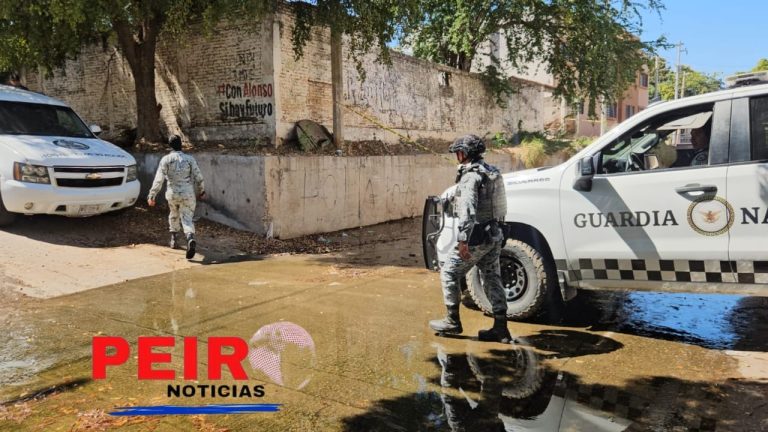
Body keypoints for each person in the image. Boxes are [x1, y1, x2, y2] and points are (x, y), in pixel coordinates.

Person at [429, 134, 513, 343]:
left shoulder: (470, 177)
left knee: (449, 272)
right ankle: (501, 328)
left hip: (476, 236)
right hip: (495, 232)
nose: (457, 156)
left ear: (464, 153)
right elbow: (500, 204)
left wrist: (463, 240)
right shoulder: (492, 172)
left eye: (459, 152)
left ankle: (452, 321)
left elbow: (467, 211)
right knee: (492, 277)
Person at [148, 135, 206, 259]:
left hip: (172, 194)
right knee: (187, 218)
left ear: (170, 146)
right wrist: (202, 191)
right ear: (181, 144)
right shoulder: (189, 159)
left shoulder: (166, 160)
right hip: (187, 194)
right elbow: (198, 176)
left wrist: (152, 195)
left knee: (173, 214)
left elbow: (159, 179)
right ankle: (190, 237)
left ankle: (174, 239)